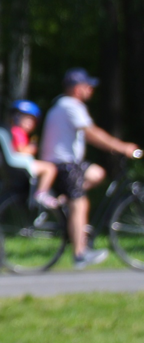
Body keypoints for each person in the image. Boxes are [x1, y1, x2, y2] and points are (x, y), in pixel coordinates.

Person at [40, 68, 142, 269]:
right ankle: (80, 254)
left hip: (69, 163)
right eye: (88, 86)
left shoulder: (61, 104)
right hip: (64, 164)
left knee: (97, 174)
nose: (91, 90)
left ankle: (66, 202)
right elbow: (91, 133)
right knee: (80, 204)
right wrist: (121, 147)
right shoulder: (71, 105)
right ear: (77, 88)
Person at [9, 100, 60, 210]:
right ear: (17, 117)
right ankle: (41, 194)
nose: (31, 124)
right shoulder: (18, 132)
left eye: (33, 121)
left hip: (20, 163)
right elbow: (21, 149)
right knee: (50, 168)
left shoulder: (14, 131)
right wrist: (32, 149)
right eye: (28, 119)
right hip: (22, 164)